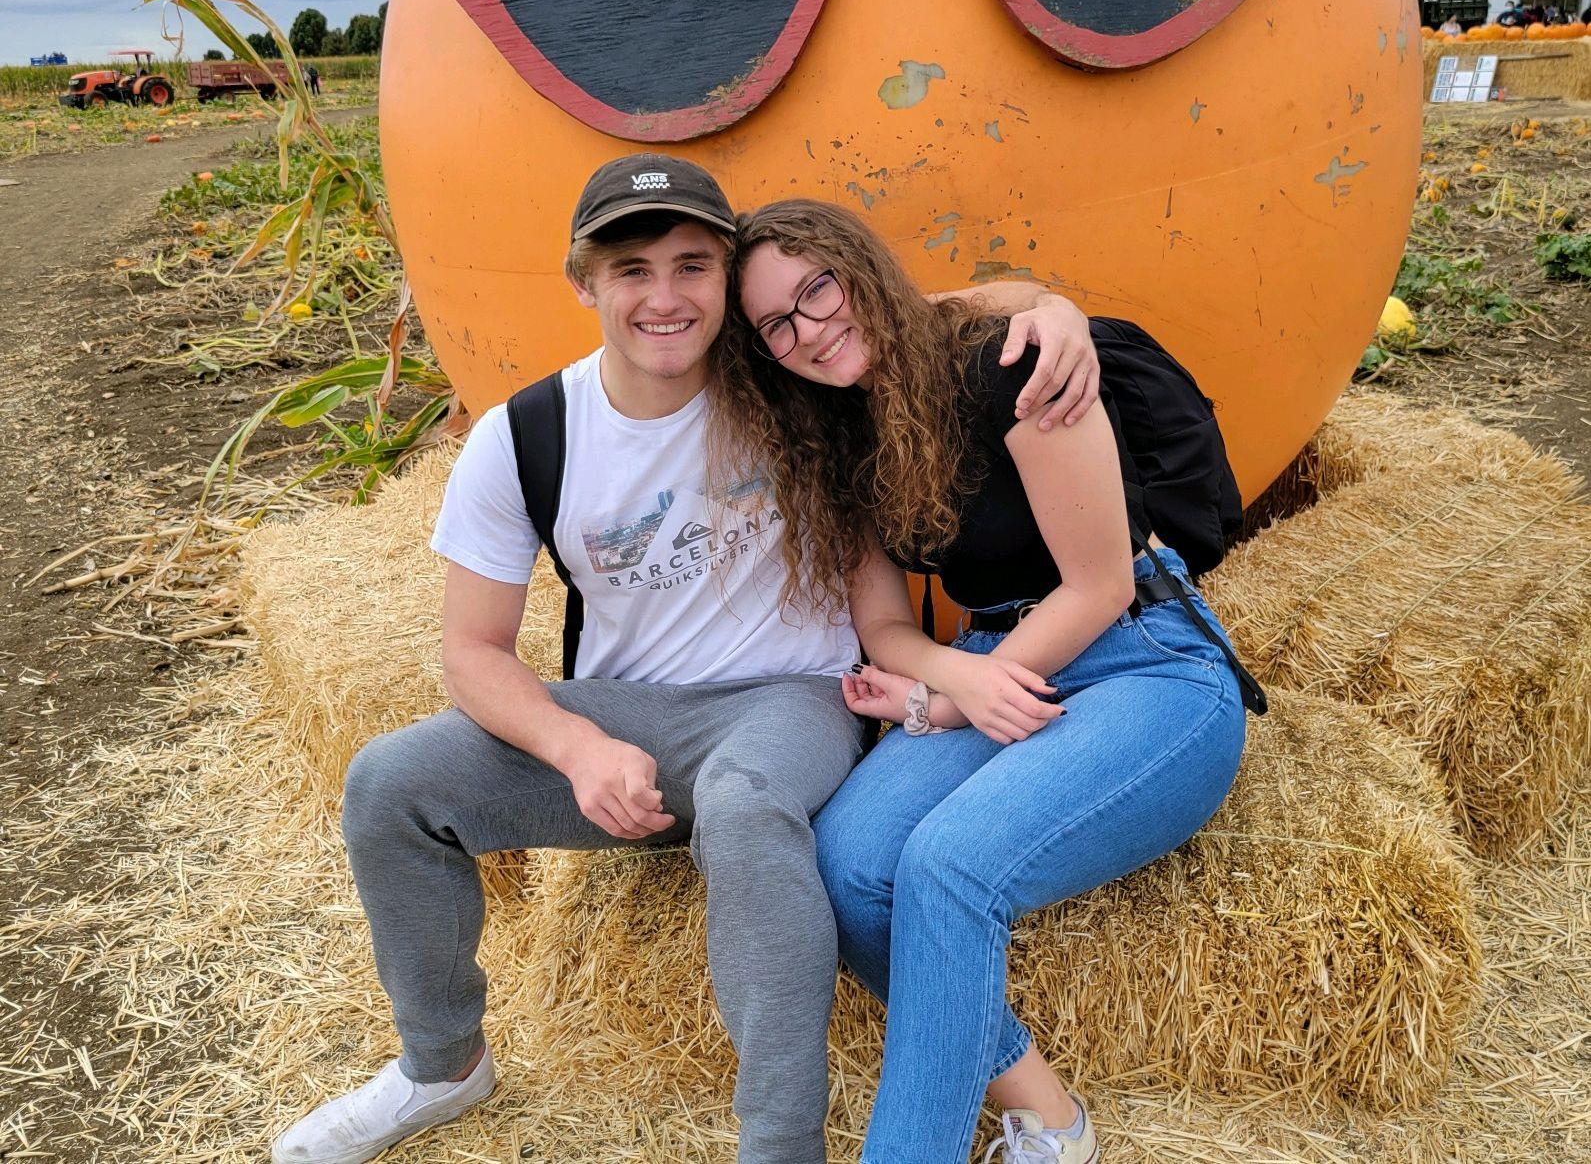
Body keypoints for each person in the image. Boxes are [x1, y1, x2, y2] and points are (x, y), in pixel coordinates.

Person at [271, 154, 1101, 1164]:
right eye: (631, 270)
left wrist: (1051, 306)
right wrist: (578, 749)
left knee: (750, 805)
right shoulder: (525, 437)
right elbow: (472, 656)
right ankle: (441, 1066)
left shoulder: (789, 376)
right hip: (626, 719)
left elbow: (925, 310)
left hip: (791, 702)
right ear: (584, 281)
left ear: (725, 277)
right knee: (388, 783)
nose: (663, 297)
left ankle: (777, 1148)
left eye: (692, 266)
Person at [711, 198, 1251, 1164]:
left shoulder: (1004, 364)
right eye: (776, 326)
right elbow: (881, 625)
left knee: (946, 868)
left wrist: (961, 693)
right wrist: (946, 674)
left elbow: (1098, 585)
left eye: (818, 289)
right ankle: (1048, 1117)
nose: (809, 329)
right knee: (844, 865)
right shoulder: (838, 437)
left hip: (1143, 662)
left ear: (857, 267)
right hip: (997, 666)